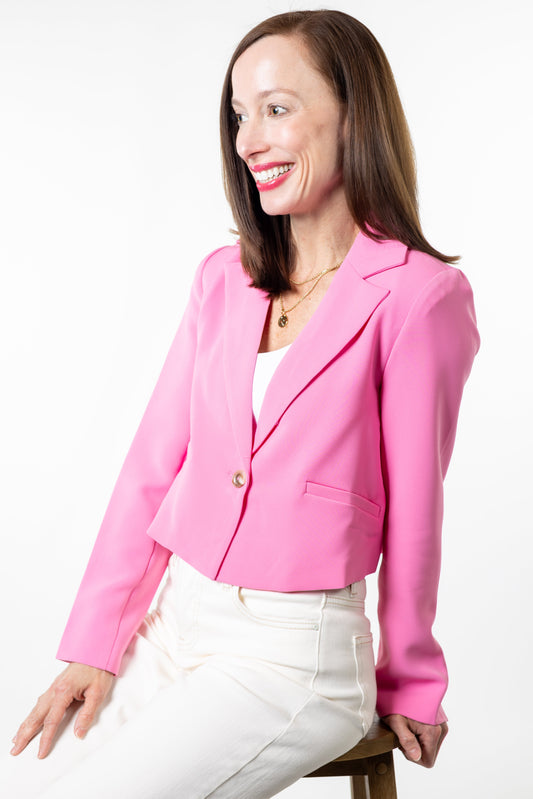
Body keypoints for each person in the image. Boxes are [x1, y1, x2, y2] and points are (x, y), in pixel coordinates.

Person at [2, 9, 480, 798]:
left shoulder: (419, 296)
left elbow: (416, 511)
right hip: (173, 619)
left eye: (277, 109)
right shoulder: (223, 278)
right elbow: (153, 468)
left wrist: (413, 680)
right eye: (238, 114)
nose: (248, 138)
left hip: (292, 655)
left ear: (353, 115)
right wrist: (95, 642)